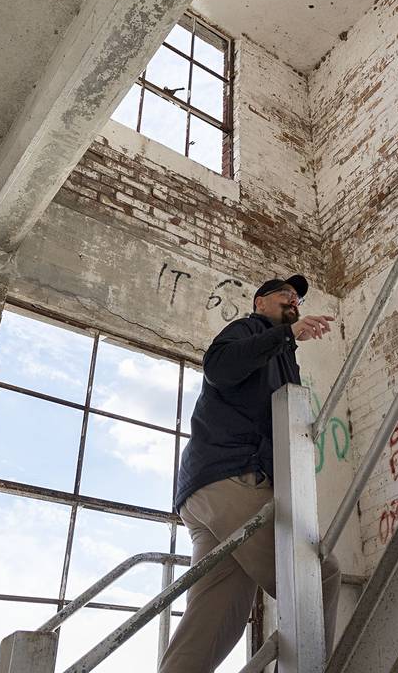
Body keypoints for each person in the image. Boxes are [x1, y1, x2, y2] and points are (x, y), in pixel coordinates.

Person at [159, 275, 341, 673]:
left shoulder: (281, 353)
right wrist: (285, 334)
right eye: (284, 294)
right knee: (319, 576)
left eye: (297, 298)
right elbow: (219, 367)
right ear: (260, 302)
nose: (293, 299)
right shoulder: (250, 329)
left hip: (207, 491)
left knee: (214, 619)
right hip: (228, 478)